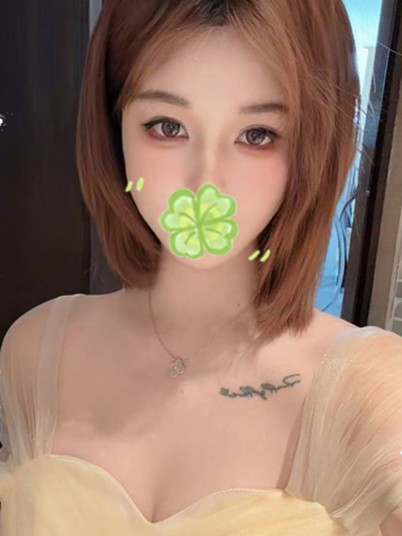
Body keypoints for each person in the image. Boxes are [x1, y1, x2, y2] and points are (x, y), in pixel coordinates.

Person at [0, 0, 401, 534]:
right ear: (113, 130)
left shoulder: (370, 392)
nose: (205, 183)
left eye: (257, 134)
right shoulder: (34, 351)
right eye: (167, 126)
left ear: (310, 150)